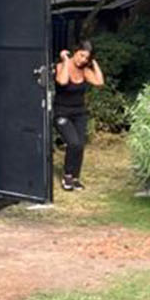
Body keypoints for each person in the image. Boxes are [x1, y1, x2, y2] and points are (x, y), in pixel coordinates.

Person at [53, 44, 104, 191]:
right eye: (81, 55)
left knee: (80, 144)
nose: (83, 60)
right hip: (62, 113)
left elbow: (100, 82)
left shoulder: (85, 71)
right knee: (73, 143)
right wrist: (66, 60)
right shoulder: (61, 66)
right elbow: (62, 81)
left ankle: (75, 178)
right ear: (75, 53)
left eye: (86, 58)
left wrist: (94, 63)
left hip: (79, 113)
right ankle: (67, 176)